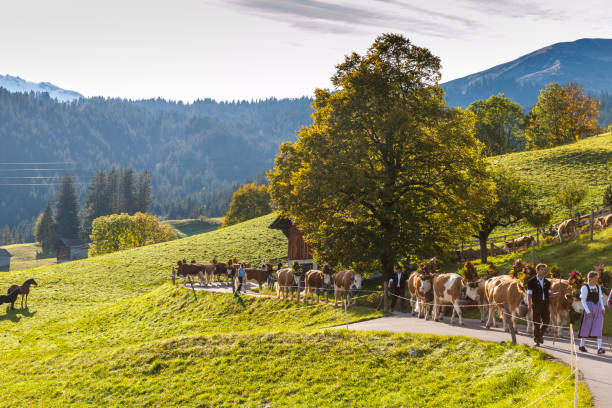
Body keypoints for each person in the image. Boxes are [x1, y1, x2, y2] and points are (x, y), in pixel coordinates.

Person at [578, 271, 606, 354]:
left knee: (598, 326)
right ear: (590, 278)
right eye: (595, 278)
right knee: (586, 327)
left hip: (597, 308)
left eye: (597, 278)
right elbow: (583, 300)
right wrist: (587, 311)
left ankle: (599, 348)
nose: (596, 280)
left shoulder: (598, 287)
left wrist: (603, 308)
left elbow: (600, 299)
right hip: (589, 308)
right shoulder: (585, 288)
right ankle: (582, 345)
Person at [527, 263, 551, 347]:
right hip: (536, 304)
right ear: (537, 270)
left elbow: (549, 293)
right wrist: (529, 304)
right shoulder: (531, 281)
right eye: (542, 269)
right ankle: (537, 340)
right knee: (536, 322)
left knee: (546, 321)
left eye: (544, 270)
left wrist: (556, 294)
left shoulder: (547, 282)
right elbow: (529, 294)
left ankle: (539, 336)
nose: (543, 271)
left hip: (545, 304)